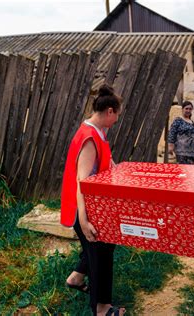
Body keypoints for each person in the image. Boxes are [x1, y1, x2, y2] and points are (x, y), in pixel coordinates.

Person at [61, 84, 125, 316]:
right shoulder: (88, 138)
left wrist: (118, 170)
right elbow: (82, 182)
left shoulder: (97, 132)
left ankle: (76, 278)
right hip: (85, 208)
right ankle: (101, 309)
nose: (117, 119)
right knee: (101, 254)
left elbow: (105, 160)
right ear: (109, 111)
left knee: (101, 246)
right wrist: (85, 220)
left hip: (94, 205)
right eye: (117, 114)